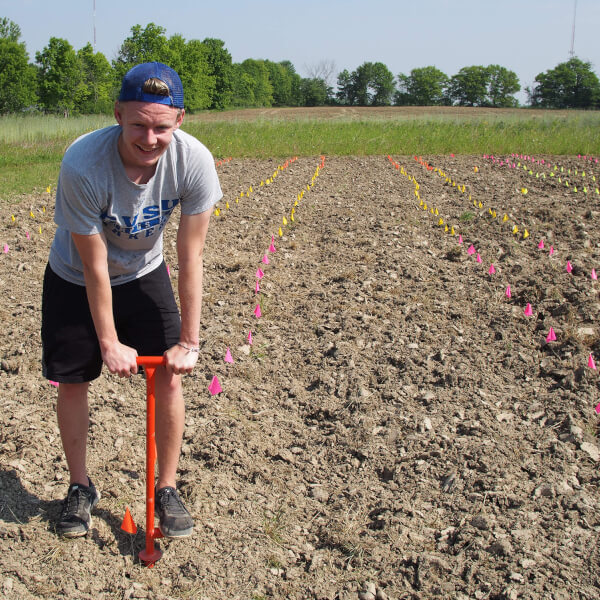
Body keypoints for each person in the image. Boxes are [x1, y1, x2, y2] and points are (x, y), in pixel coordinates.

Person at [41, 62, 222, 539]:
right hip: (75, 275)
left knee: (168, 372)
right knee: (73, 379)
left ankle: (166, 488)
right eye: (138, 124)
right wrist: (109, 341)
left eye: (161, 127)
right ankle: (80, 487)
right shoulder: (83, 163)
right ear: (118, 113)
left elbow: (192, 253)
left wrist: (190, 340)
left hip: (144, 272)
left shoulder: (194, 161)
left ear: (179, 121)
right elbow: (95, 264)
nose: (149, 138)